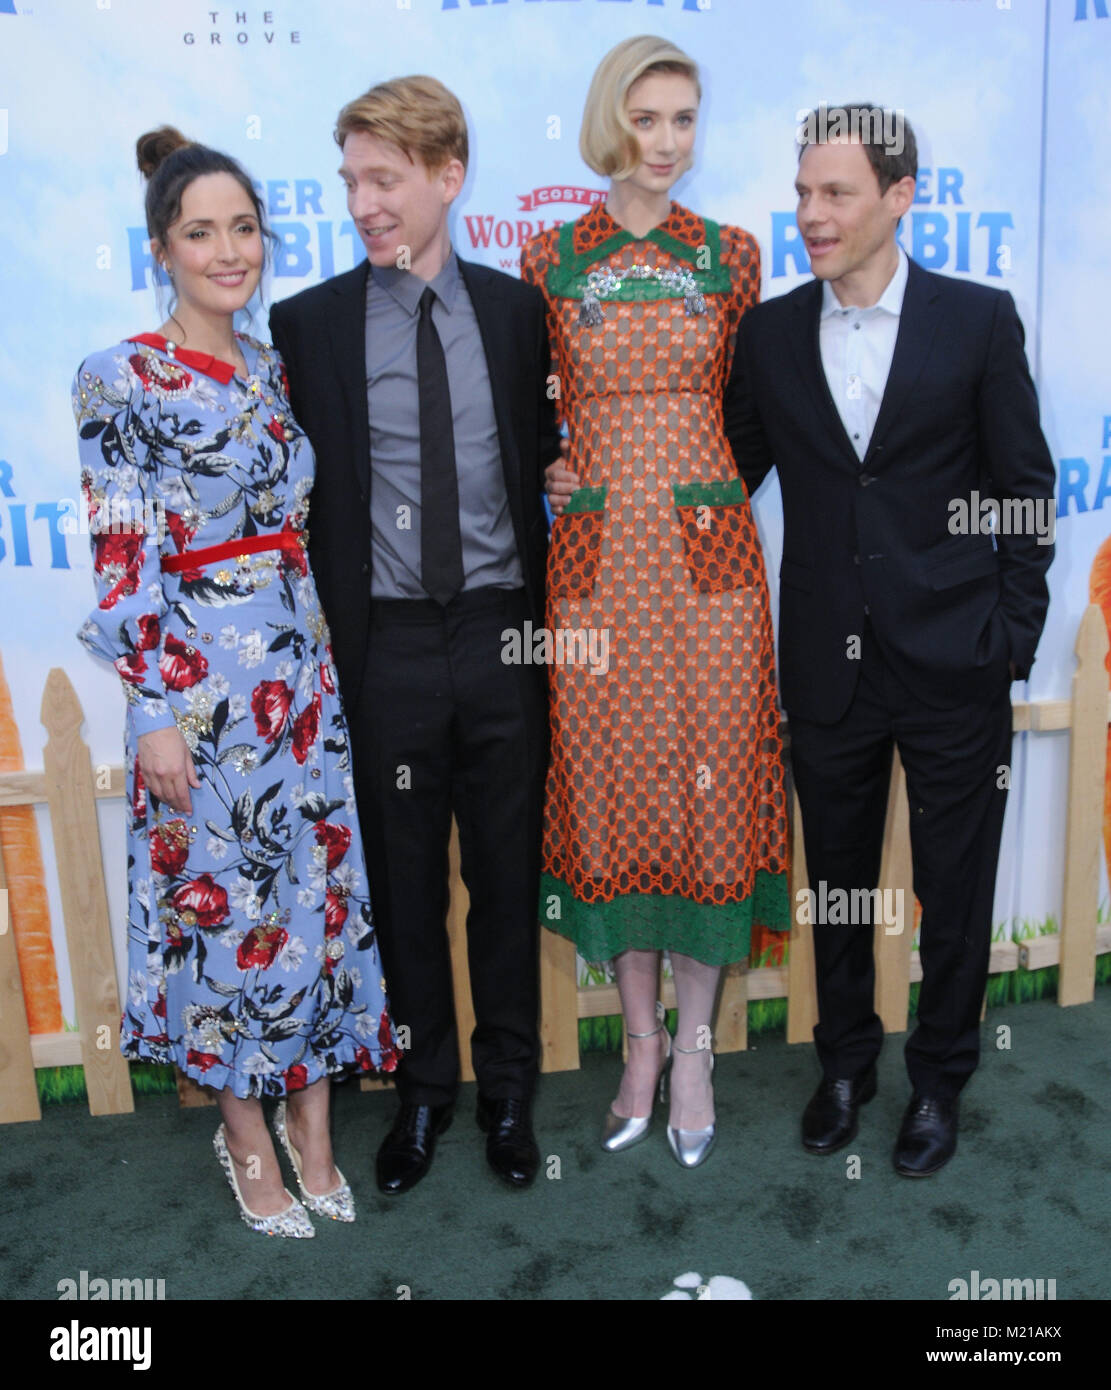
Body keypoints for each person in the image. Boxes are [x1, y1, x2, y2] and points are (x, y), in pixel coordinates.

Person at [73, 127, 398, 1238]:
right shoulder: (118, 377)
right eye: (201, 231)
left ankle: (313, 1129)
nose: (228, 251)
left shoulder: (270, 364)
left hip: (301, 679)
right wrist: (152, 710)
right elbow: (123, 552)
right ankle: (245, 1135)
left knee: (310, 902)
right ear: (161, 246)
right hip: (200, 688)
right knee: (225, 916)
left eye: (244, 228)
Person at [721, 106, 1055, 1174]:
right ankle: (845, 1064)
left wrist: (1009, 634)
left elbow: (1021, 492)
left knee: (954, 890)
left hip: (956, 657)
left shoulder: (976, 320)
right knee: (843, 884)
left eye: (836, 195)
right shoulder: (770, 334)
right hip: (827, 661)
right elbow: (722, 472)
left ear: (899, 197)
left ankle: (939, 1078)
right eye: (803, 192)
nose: (810, 216)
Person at [269, 77, 562, 1194]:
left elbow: (538, 449)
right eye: (351, 180)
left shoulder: (514, 310)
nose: (363, 203)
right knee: (402, 881)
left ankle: (507, 1096)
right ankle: (423, 1092)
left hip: (500, 638)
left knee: (503, 871)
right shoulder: (308, 327)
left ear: (448, 176)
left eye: (384, 178)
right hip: (384, 644)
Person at [527, 36, 790, 1169]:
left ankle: (694, 1048)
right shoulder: (549, 259)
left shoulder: (734, 255)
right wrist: (551, 459)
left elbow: (763, 411)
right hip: (595, 566)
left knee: (712, 794)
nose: (668, 142)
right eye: (647, 118)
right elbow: (523, 405)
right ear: (609, 122)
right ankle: (634, 1040)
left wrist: (719, 486)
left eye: (685, 118)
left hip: (710, 563)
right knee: (610, 789)